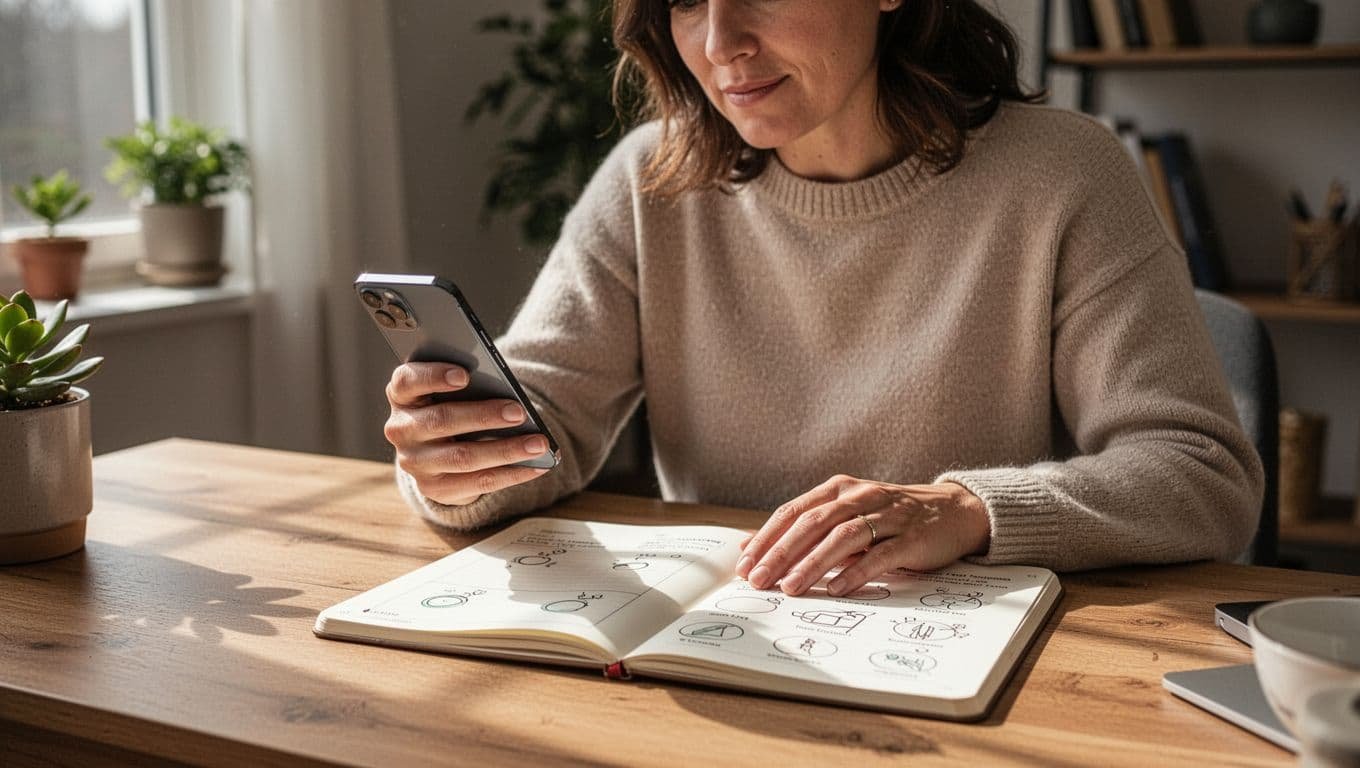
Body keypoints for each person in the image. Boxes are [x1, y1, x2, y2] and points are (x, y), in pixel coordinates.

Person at [383, 0, 1263, 597]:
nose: (720, 42)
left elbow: (1203, 476)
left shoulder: (1063, 175)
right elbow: (541, 419)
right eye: (685, 0)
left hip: (968, 674)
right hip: (736, 645)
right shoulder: (651, 182)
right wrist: (459, 458)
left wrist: (965, 510)